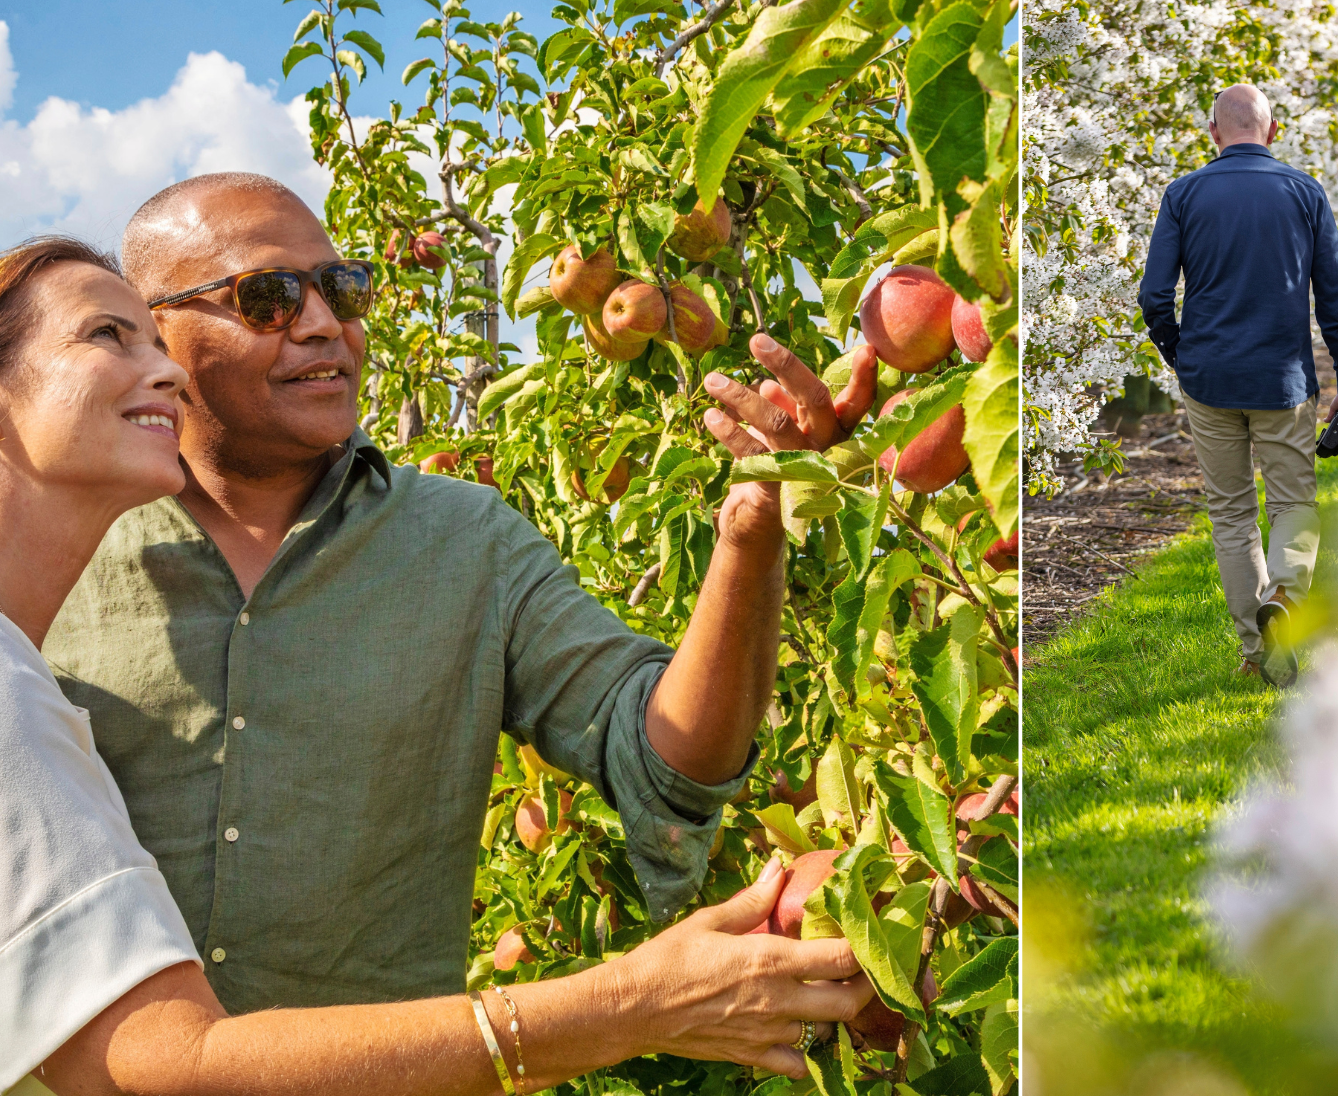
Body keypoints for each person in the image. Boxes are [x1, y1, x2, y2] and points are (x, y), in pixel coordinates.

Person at [0, 236, 873, 1096]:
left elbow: (661, 754)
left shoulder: (464, 540)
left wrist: (751, 536)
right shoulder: (49, 592)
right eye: (266, 296)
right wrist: (626, 1005)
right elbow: (161, 1059)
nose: (320, 325)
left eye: (342, 290)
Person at [1137, 85, 1338, 686]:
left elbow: (1154, 296)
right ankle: (1284, 600)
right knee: (1293, 502)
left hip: (1208, 377)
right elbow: (1335, 301)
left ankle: (1251, 650)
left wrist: (1180, 355)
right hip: (1282, 379)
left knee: (1231, 512)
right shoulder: (1304, 193)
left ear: (1214, 132)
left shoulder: (1183, 194)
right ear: (1274, 129)